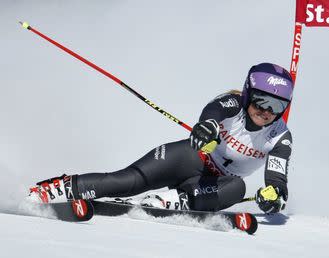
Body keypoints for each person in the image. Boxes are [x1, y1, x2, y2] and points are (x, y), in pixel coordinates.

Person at [28, 62, 293, 214]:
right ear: (248, 94)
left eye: (277, 106)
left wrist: (274, 196)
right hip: (189, 158)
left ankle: (178, 200)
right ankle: (59, 189)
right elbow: (213, 111)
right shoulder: (234, 103)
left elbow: (277, 179)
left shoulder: (279, 136)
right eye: (261, 101)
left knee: (238, 188)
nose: (267, 111)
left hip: (214, 185)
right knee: (127, 180)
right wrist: (207, 126)